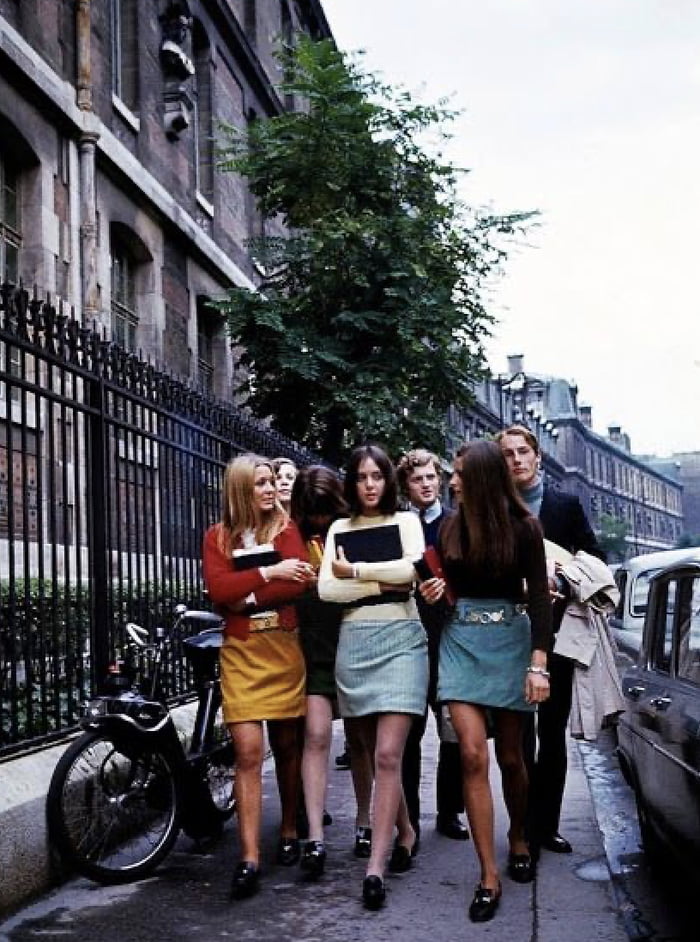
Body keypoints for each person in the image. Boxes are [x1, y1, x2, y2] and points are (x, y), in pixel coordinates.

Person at [420, 439, 552, 923]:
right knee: (472, 752)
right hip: (460, 644)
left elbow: (539, 598)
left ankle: (519, 832)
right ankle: (488, 875)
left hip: (511, 645)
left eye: (457, 473)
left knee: (513, 757)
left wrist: (538, 664)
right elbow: (441, 598)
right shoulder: (450, 527)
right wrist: (432, 592)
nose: (451, 482)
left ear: (481, 477)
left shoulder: (525, 528)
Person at [318, 444, 428, 910]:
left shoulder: (406, 522)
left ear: (388, 480)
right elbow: (328, 588)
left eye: (377, 476)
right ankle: (405, 830)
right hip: (355, 643)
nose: (369, 484)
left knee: (388, 754)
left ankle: (375, 868)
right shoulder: (339, 528)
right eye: (361, 476)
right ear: (352, 482)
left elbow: (413, 570)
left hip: (403, 639)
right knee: (368, 750)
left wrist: (357, 571)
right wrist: (387, 580)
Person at [202, 453, 314, 900]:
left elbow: (299, 582)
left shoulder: (286, 530)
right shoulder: (218, 537)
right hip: (242, 653)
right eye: (260, 483)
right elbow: (218, 591)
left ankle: (289, 826)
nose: (270, 490)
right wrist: (268, 572)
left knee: (288, 745)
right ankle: (249, 856)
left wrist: (243, 593)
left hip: (283, 649)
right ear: (240, 490)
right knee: (249, 751)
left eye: (272, 482)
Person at [496, 424, 605, 856]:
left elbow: (596, 556)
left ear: (539, 456)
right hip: (508, 634)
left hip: (558, 632)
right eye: (507, 454)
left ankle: (548, 825)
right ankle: (520, 829)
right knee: (517, 736)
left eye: (524, 452)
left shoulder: (564, 505)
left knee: (552, 734)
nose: (517, 460)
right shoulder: (497, 508)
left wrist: (563, 573)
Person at [290, 465, 373, 878]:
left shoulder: (352, 531)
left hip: (352, 643)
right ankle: (316, 837)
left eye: (324, 509)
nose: (319, 519)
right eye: (312, 511)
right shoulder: (292, 536)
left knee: (360, 741)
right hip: (313, 649)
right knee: (317, 736)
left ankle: (364, 822)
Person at [396, 449, 468, 843]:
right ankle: (409, 816)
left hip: (451, 635)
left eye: (430, 477)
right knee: (409, 731)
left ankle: (449, 811)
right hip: (409, 636)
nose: (425, 484)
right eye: (416, 479)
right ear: (406, 486)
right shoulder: (401, 526)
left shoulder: (457, 523)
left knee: (452, 729)